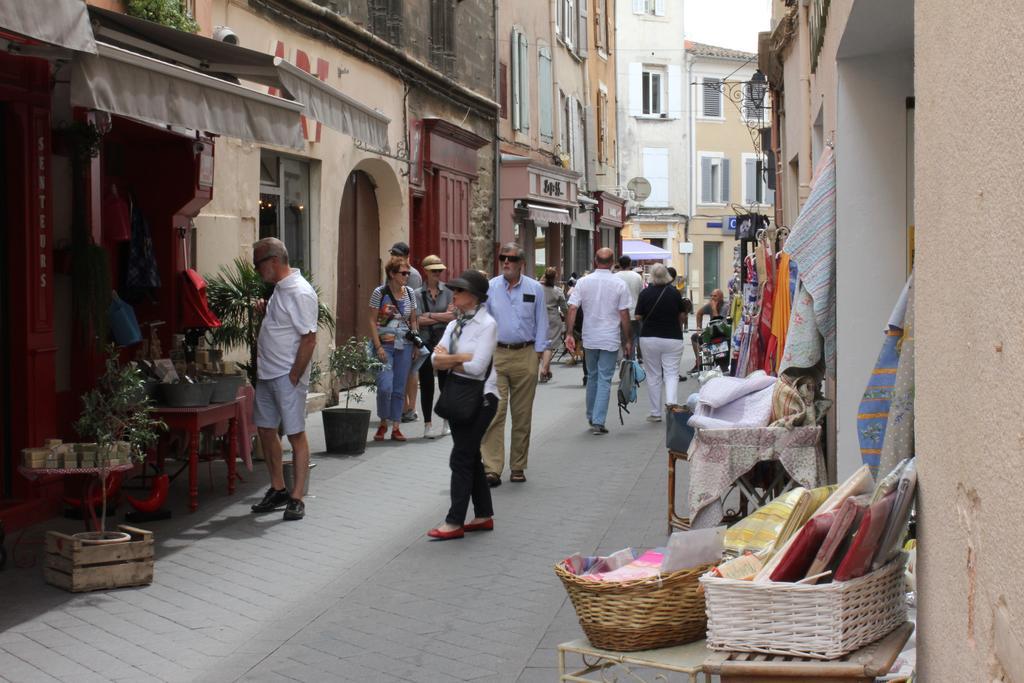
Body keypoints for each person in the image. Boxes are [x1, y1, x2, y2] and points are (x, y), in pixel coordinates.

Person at [426, 271, 499, 540]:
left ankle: (454, 521)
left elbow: (478, 368)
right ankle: (483, 515)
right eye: (454, 290)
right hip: (458, 396)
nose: (453, 294)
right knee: (470, 456)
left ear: (474, 297)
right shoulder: (455, 324)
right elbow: (434, 359)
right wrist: (460, 358)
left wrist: (451, 360)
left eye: (459, 290)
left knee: (461, 457)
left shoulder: (487, 324)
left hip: (482, 399)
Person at [249, 238, 318, 521]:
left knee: (295, 434)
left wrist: (294, 374)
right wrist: (267, 311)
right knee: (266, 429)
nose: (256, 271)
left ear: (274, 261)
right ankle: (278, 488)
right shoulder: (281, 288)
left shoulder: (300, 292)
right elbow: (287, 324)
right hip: (268, 372)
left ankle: (297, 497)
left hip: (285, 375)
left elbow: (309, 338)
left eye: (258, 264)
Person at [481, 242, 548, 486]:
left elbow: (542, 322)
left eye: (511, 258)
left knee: (522, 416)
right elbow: (484, 322)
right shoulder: (490, 288)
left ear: (522, 263)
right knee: (494, 413)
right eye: (502, 258)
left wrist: (541, 356)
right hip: (497, 354)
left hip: (526, 353)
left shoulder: (534, 289)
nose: (506, 262)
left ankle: (518, 466)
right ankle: (492, 468)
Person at [564, 249, 632, 435]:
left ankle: (591, 414)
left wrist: (569, 333)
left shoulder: (583, 283)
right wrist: (628, 339)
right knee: (605, 379)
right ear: (612, 263)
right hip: (610, 337)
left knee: (592, 376)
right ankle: (598, 420)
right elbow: (624, 314)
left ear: (595, 261)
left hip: (590, 336)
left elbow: (572, 308)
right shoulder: (619, 284)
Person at [368, 256, 421, 442]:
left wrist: (415, 343)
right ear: (391, 274)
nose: (407, 276)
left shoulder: (410, 293)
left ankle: (396, 426)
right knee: (384, 386)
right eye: (403, 273)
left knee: (399, 387)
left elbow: (413, 319)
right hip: (385, 345)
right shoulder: (379, 292)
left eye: (408, 273)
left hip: (404, 346)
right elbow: (372, 321)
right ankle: (383, 422)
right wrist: (378, 346)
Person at [634, 263, 688, 422]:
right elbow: (682, 315)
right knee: (671, 374)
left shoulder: (645, 293)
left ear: (652, 276)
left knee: (653, 375)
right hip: (672, 337)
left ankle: (655, 413)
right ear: (667, 276)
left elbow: (637, 316)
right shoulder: (675, 293)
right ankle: (671, 407)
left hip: (649, 337)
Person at [416, 255, 456, 439]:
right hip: (424, 343)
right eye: (434, 271)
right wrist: (441, 315)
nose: (438, 274)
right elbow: (416, 320)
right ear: (425, 271)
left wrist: (430, 315)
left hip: (444, 343)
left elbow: (452, 317)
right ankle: (427, 424)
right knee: (426, 385)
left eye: (440, 271)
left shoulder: (448, 291)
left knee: (445, 384)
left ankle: (446, 421)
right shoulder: (417, 294)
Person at [390, 241, 424, 424]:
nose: (394, 257)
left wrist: (414, 329)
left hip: (408, 331)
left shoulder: (413, 275)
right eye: (393, 254)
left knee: (411, 370)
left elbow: (414, 305)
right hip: (395, 331)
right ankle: (405, 407)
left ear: (406, 256)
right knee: (403, 370)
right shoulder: (392, 271)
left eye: (398, 254)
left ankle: (410, 408)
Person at [539, 267, 567, 383]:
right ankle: (544, 369)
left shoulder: (538, 288)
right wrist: (567, 317)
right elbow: (565, 308)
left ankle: (546, 368)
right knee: (549, 346)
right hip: (553, 319)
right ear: (555, 277)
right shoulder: (557, 291)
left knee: (541, 344)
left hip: (539, 318)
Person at [690, 288, 728, 372]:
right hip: (712, 333)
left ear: (721, 298)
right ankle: (699, 363)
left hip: (722, 333)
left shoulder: (725, 306)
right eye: (711, 296)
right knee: (695, 337)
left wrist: (714, 308)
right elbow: (699, 313)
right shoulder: (710, 305)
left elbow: (719, 323)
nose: (712, 298)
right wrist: (698, 328)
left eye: (715, 296)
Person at [615, 255, 644, 353]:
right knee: (635, 337)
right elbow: (641, 295)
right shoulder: (637, 277)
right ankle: (634, 359)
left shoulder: (615, 277)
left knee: (622, 338)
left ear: (619, 264)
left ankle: (625, 359)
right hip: (635, 312)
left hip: (619, 314)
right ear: (630, 264)